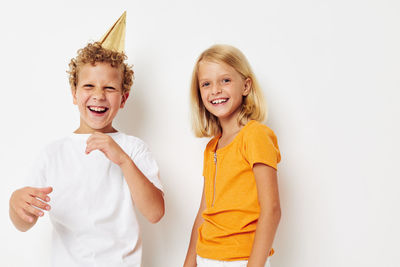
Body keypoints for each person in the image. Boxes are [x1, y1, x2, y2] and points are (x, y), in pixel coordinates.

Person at [8, 12, 164, 267]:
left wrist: (123, 160)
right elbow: (24, 223)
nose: (99, 96)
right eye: (89, 86)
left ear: (123, 99)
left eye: (110, 88)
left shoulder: (134, 149)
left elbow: (155, 213)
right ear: (74, 94)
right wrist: (16, 204)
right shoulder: (53, 153)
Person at [183, 44, 281, 267]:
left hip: (241, 259)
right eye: (206, 84)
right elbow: (204, 211)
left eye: (225, 80)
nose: (215, 90)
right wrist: (189, 262)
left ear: (246, 86)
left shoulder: (255, 135)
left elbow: (272, 209)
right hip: (206, 256)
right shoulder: (212, 147)